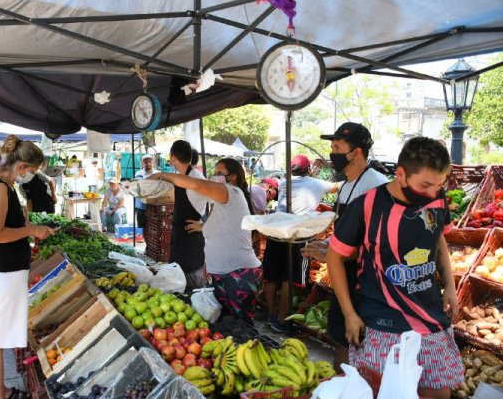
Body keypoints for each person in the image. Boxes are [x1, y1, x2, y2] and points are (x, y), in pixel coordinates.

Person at [327, 137, 462, 399]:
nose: (433, 193)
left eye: (439, 185)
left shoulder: (437, 198)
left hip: (430, 317)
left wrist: (450, 287)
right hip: (380, 322)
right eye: (425, 185)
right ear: (400, 174)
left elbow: (439, 239)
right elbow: (334, 257)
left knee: (437, 393)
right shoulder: (366, 206)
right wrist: (349, 314)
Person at [302, 122, 389, 368]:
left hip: (367, 282)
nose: (333, 152)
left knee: (359, 343)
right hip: (345, 277)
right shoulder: (347, 186)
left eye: (338, 146)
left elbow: (378, 244)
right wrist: (328, 245)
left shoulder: (376, 186)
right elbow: (346, 233)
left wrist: (334, 253)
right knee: (340, 337)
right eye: (332, 146)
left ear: (357, 152)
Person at [0, 135, 55, 399]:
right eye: (32, 171)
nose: (31, 176)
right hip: (2, 272)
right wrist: (31, 229)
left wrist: (26, 228)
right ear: (21, 166)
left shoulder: (6, 185)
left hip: (8, 271)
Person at [148, 158, 261, 323]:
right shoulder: (222, 201)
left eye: (220, 173)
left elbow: (197, 185)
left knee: (241, 329)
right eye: (214, 172)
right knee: (225, 328)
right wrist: (203, 226)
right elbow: (225, 226)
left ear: (234, 177)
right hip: (223, 275)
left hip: (239, 275)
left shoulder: (232, 192)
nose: (216, 176)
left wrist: (162, 175)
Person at [263, 154, 339, 332]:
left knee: (272, 275)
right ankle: (282, 321)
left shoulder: (283, 182)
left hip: (277, 229)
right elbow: (336, 187)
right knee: (290, 277)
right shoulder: (316, 183)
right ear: (308, 170)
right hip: (299, 233)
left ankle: (271, 315)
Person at [163, 140, 208, 289]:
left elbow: (217, 203)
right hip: (179, 237)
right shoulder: (180, 176)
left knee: (194, 285)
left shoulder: (196, 177)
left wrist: (205, 224)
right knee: (178, 281)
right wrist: (175, 216)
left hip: (192, 241)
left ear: (173, 157)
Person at [134, 154, 159, 229]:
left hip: (154, 206)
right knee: (142, 227)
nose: (148, 163)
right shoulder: (139, 173)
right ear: (143, 163)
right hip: (142, 206)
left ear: (152, 162)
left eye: (149, 162)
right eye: (146, 162)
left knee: (153, 227)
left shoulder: (158, 173)